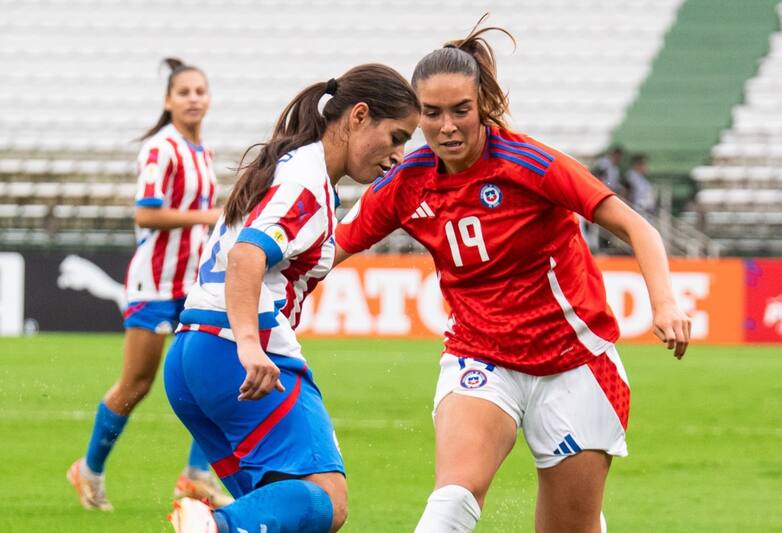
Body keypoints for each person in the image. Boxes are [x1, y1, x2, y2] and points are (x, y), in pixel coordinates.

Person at [334, 16, 691, 533]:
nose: (447, 127)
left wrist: (665, 302)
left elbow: (635, 225)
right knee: (452, 500)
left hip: (575, 363)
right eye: (432, 114)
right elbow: (330, 251)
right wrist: (265, 296)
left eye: (460, 111)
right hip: (480, 356)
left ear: (482, 105)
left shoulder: (530, 164)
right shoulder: (407, 182)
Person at [163, 65, 420, 533]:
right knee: (326, 498)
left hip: (190, 354)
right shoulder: (307, 181)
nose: (399, 155)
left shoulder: (291, 166)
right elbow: (246, 256)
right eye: (396, 136)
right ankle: (208, 527)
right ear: (359, 116)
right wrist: (248, 344)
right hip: (235, 351)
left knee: (276, 514)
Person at [67, 58, 231, 511]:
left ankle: (197, 476)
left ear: (210, 98)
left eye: (200, 91)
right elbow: (146, 212)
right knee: (136, 383)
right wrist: (208, 216)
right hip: (155, 285)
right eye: (185, 92)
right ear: (168, 101)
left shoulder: (203, 152)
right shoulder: (161, 149)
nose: (194, 98)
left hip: (194, 284)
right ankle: (90, 469)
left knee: (214, 376)